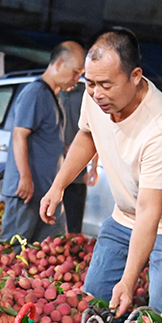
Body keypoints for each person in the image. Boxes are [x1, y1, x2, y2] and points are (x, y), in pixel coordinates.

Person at [39, 28, 162, 320]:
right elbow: (88, 135)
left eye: (106, 85)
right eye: (90, 83)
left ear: (135, 76)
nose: (97, 93)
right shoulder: (95, 95)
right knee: (95, 294)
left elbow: (150, 211)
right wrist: (58, 186)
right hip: (128, 211)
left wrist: (128, 281)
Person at [0, 41, 85, 242]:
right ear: (59, 63)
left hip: (47, 192)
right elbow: (19, 135)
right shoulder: (35, 92)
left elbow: (46, 139)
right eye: (75, 72)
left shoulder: (55, 96)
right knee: (13, 251)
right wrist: (25, 177)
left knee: (48, 250)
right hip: (28, 192)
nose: (77, 79)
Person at [60, 80, 98, 234]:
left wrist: (94, 167)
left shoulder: (88, 93)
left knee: (73, 227)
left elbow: (95, 131)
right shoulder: (50, 92)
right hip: (50, 172)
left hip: (78, 172)